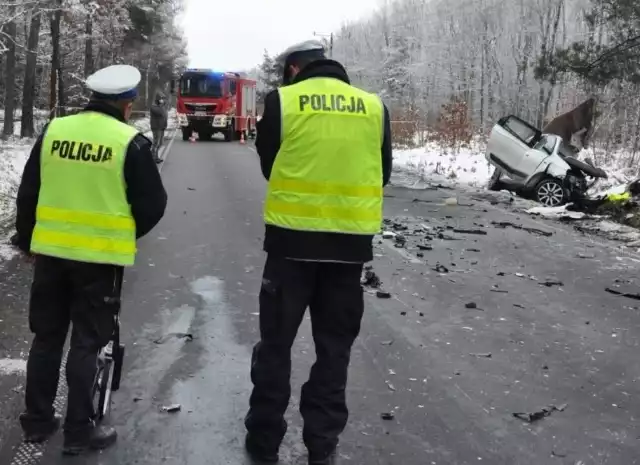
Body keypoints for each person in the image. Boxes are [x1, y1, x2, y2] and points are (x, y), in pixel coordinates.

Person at [244, 40, 393, 465]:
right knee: (334, 352)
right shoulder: (373, 107)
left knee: (275, 347)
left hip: (290, 249)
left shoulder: (283, 102)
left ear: (293, 68)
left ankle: (264, 442)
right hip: (348, 254)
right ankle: (322, 445)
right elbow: (382, 172)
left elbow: (270, 165)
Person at [15, 64, 167, 455]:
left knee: (47, 337)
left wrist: (28, 239)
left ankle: (36, 421)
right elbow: (153, 204)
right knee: (86, 342)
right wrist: (123, 234)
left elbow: (29, 189)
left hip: (50, 254)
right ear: (126, 103)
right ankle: (80, 432)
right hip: (98, 262)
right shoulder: (129, 142)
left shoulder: (55, 131)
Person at [150, 93, 168, 163]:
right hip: (156, 127)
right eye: (161, 99)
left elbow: (164, 115)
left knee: (160, 143)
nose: (163, 100)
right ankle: (152, 157)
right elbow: (160, 113)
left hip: (161, 127)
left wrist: (165, 125)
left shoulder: (161, 107)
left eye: (163, 99)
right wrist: (162, 105)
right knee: (156, 143)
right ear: (158, 99)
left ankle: (156, 157)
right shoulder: (154, 106)